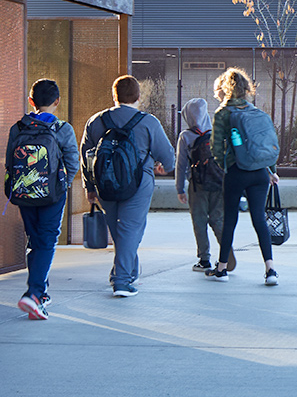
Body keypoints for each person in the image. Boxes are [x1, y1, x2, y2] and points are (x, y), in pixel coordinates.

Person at [80, 75, 175, 297]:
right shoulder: (148, 122)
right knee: (130, 230)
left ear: (114, 96)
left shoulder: (96, 121)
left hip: (105, 185)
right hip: (139, 184)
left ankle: (129, 272)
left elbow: (86, 157)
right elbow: (168, 158)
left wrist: (89, 187)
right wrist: (159, 165)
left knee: (119, 231)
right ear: (138, 97)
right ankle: (122, 282)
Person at [6, 79, 80, 320]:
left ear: (31, 101)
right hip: (52, 196)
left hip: (23, 193)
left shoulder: (18, 128)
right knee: (47, 241)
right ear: (57, 101)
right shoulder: (62, 129)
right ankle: (34, 294)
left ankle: (41, 292)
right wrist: (61, 187)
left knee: (36, 240)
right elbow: (72, 163)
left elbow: (10, 163)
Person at [205, 67, 279, 285]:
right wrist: (272, 171)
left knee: (230, 220)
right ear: (247, 88)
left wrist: (225, 165)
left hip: (237, 171)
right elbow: (266, 143)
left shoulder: (223, 113)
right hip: (259, 173)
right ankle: (270, 269)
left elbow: (216, 148)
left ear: (225, 89)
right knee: (259, 219)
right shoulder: (256, 111)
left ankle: (221, 269)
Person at [175, 97, 235, 272]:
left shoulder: (185, 136)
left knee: (199, 221)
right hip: (219, 183)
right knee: (218, 220)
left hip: (197, 186)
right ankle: (225, 254)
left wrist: (180, 189)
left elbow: (180, 165)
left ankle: (204, 259)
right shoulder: (218, 132)